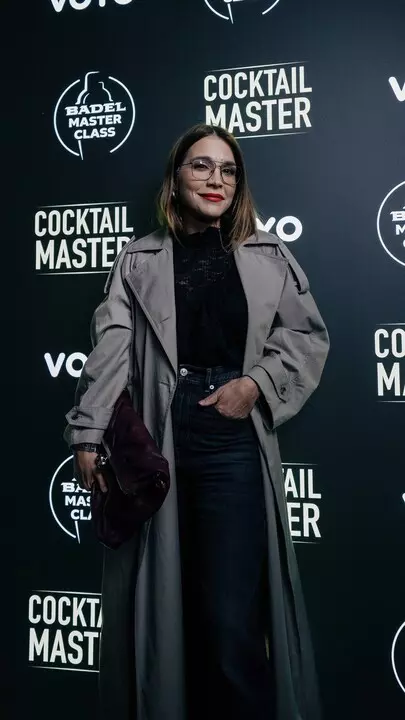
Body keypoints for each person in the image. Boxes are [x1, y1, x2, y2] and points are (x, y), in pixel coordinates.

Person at [64, 122, 329, 720]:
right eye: (202, 165)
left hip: (230, 434)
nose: (217, 179)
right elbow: (112, 351)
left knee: (231, 621)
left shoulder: (266, 254)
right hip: (157, 434)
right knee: (165, 608)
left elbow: (305, 337)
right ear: (175, 178)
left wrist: (254, 386)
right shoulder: (138, 259)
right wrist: (87, 434)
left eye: (228, 170)